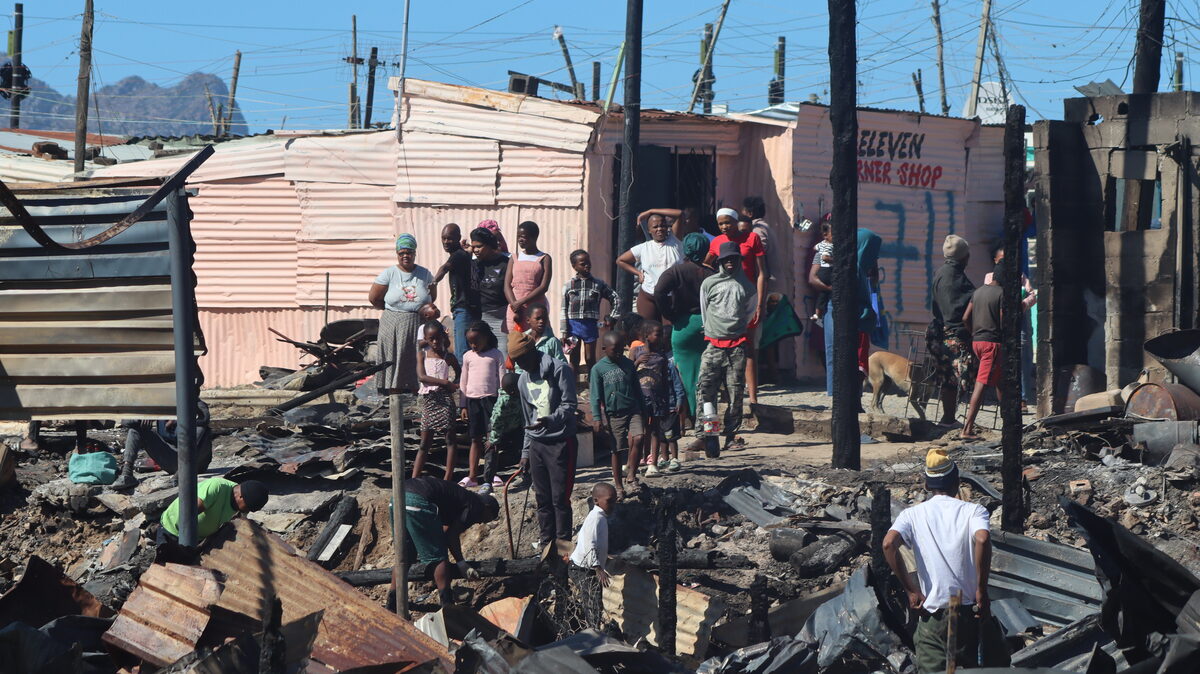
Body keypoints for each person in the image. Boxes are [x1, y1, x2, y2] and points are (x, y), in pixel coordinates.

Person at [883, 449, 991, 673]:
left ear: (926, 485)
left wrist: (911, 591)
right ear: (957, 482)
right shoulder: (973, 511)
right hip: (968, 611)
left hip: (934, 614)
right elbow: (982, 538)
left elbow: (888, 544)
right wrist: (981, 589)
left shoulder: (912, 515)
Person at [510, 330, 578, 550]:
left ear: (532, 352)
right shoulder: (522, 380)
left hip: (560, 441)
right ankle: (546, 542)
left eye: (522, 359)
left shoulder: (559, 369)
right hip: (537, 443)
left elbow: (569, 405)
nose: (520, 365)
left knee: (560, 497)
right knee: (542, 498)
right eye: (516, 362)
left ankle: (563, 545)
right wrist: (525, 452)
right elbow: (527, 418)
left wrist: (550, 421)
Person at [399, 476, 500, 607]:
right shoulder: (476, 506)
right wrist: (461, 563)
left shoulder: (459, 499)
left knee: (405, 555)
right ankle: (447, 603)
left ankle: (393, 601)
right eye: (488, 519)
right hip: (418, 499)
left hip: (398, 496)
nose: (482, 522)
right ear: (487, 507)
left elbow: (445, 532)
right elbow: (451, 536)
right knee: (439, 556)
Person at [697, 242, 757, 453]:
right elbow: (705, 312)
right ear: (720, 261)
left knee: (735, 395)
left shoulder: (747, 287)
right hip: (713, 345)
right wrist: (715, 331)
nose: (730, 262)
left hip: (737, 347)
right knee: (706, 393)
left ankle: (730, 436)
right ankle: (708, 435)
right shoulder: (709, 284)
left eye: (734, 258)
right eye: (726, 259)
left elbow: (749, 314)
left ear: (739, 260)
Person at [705, 208, 766, 408]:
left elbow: (761, 273)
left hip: (746, 299)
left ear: (735, 221)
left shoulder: (752, 238)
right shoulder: (716, 242)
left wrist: (759, 302)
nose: (724, 227)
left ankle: (753, 398)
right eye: (721, 224)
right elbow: (707, 264)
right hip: (724, 301)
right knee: (723, 347)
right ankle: (727, 395)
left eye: (727, 223)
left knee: (748, 348)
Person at [653, 232, 714, 422]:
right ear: (705, 250)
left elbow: (659, 291)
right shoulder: (712, 274)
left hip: (683, 326)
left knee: (684, 375)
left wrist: (669, 313)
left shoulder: (675, 272)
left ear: (685, 249)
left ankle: (687, 417)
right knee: (707, 375)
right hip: (708, 326)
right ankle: (707, 417)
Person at [370, 234, 435, 394]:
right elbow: (374, 298)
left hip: (417, 324)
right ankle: (394, 399)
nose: (406, 256)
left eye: (409, 252)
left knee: (415, 360)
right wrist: (395, 311)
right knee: (394, 360)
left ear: (414, 253)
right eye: (402, 253)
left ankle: (415, 399)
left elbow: (431, 297)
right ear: (397, 254)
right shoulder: (389, 273)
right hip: (392, 324)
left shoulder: (425, 274)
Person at [590, 331, 644, 498]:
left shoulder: (628, 364)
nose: (619, 353)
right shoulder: (598, 369)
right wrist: (597, 417)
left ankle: (631, 475)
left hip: (633, 409)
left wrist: (643, 408)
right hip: (614, 414)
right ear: (605, 349)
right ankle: (618, 486)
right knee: (617, 450)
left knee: (639, 437)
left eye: (621, 349)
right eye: (615, 350)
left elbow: (637, 389)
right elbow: (594, 396)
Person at [930, 234, 977, 425]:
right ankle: (949, 418)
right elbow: (959, 309)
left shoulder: (942, 272)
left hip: (940, 331)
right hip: (954, 335)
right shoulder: (954, 277)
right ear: (964, 257)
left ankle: (948, 417)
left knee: (948, 377)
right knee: (957, 378)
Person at [112, 401, 212, 490]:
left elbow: (193, 443)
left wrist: (177, 478)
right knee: (135, 430)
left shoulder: (197, 407)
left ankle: (180, 475)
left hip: (194, 464)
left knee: (202, 433)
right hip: (171, 458)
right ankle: (127, 474)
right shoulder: (162, 406)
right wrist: (144, 417)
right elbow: (125, 421)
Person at [984, 245, 1038, 407]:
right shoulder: (990, 278)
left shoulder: (1019, 276)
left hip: (1019, 321)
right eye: (1001, 260)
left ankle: (1022, 397)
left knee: (1022, 357)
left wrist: (1023, 304)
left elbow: (1032, 295)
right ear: (995, 261)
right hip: (998, 323)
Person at [961, 263, 1005, 441]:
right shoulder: (1002, 293)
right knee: (982, 382)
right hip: (992, 344)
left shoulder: (977, 292)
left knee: (1001, 381)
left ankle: (1007, 422)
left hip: (977, 342)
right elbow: (1004, 321)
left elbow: (965, 317)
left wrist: (974, 332)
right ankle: (967, 429)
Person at [458, 322, 506, 488]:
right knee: (475, 439)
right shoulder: (467, 356)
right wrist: (463, 405)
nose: (473, 345)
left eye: (476, 341)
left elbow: (502, 380)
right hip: (472, 401)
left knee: (491, 439)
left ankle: (491, 474)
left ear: (486, 337)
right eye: (470, 342)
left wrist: (502, 403)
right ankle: (472, 476)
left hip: (491, 401)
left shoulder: (496, 355)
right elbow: (463, 382)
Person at [413, 320, 461, 481]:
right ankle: (415, 477)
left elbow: (460, 372)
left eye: (437, 338)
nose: (434, 342)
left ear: (443, 336)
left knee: (450, 440)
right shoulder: (422, 354)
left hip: (446, 400)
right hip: (430, 400)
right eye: (431, 338)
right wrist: (446, 383)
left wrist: (455, 384)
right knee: (425, 442)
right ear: (425, 338)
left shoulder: (448, 357)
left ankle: (448, 478)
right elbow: (422, 377)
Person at [561, 250, 621, 375]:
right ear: (574, 266)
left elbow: (615, 298)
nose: (587, 266)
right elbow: (563, 309)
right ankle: (573, 386)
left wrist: (613, 316)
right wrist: (564, 331)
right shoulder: (569, 286)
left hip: (590, 326)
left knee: (590, 358)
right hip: (573, 326)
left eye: (588, 262)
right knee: (574, 358)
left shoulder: (598, 284)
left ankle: (592, 384)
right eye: (583, 264)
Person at [159, 477, 269, 545]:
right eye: (248, 507)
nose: (247, 511)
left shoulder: (240, 508)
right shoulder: (217, 487)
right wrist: (186, 546)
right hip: (173, 531)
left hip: (197, 540)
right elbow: (188, 514)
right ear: (241, 497)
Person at [630, 320, 677, 478]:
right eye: (658, 334)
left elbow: (664, 380)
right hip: (640, 399)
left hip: (657, 399)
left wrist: (666, 400)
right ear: (647, 336)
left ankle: (653, 464)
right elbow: (628, 373)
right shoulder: (636, 351)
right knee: (639, 432)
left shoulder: (661, 356)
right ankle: (633, 464)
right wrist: (637, 362)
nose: (662, 337)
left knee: (655, 431)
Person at [617, 213, 683, 320]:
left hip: (671, 297)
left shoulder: (675, 242)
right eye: (655, 227)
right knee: (649, 331)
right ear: (649, 231)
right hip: (648, 296)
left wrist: (649, 211)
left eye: (662, 226)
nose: (659, 229)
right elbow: (620, 260)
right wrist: (638, 273)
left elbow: (679, 214)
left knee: (669, 332)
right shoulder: (644, 248)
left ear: (667, 228)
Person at [569, 482, 617, 628]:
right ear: (596, 500)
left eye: (614, 501)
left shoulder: (600, 516)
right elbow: (591, 543)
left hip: (587, 567)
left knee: (594, 601)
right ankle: (593, 632)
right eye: (609, 501)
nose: (612, 505)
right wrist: (598, 568)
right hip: (583, 569)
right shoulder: (596, 518)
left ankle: (593, 629)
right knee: (593, 602)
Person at [432, 223, 474, 357]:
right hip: (460, 308)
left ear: (458, 238)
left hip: (464, 308)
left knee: (462, 353)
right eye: (443, 238)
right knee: (459, 350)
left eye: (449, 238)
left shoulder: (458, 255)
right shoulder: (461, 254)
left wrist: (433, 282)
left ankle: (464, 378)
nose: (445, 242)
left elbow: (445, 268)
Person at [505, 221, 553, 333]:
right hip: (515, 308)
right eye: (518, 237)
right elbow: (507, 285)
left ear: (534, 237)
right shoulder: (514, 257)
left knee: (537, 340)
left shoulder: (544, 258)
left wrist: (521, 302)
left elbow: (543, 286)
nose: (520, 240)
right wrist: (514, 304)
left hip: (535, 308)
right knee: (516, 342)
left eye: (523, 237)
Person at [470, 227, 512, 355]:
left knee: (503, 355)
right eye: (473, 247)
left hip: (502, 318)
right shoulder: (473, 264)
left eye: (479, 246)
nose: (475, 250)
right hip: (480, 318)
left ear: (489, 245)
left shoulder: (506, 263)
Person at [483, 373, 524, 494]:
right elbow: (496, 420)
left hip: (515, 427)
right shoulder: (504, 400)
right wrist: (494, 438)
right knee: (491, 450)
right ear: (513, 391)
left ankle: (526, 476)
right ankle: (487, 482)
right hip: (498, 429)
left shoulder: (521, 395)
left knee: (525, 449)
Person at [740, 196, 774, 282]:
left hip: (768, 282)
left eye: (743, 211)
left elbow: (758, 251)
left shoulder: (757, 229)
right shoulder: (764, 226)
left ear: (750, 213)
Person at [810, 219, 834, 324]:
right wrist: (829, 288)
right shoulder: (825, 250)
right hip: (826, 274)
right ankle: (818, 316)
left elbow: (815, 247)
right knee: (823, 296)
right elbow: (812, 279)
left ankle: (818, 315)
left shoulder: (824, 245)